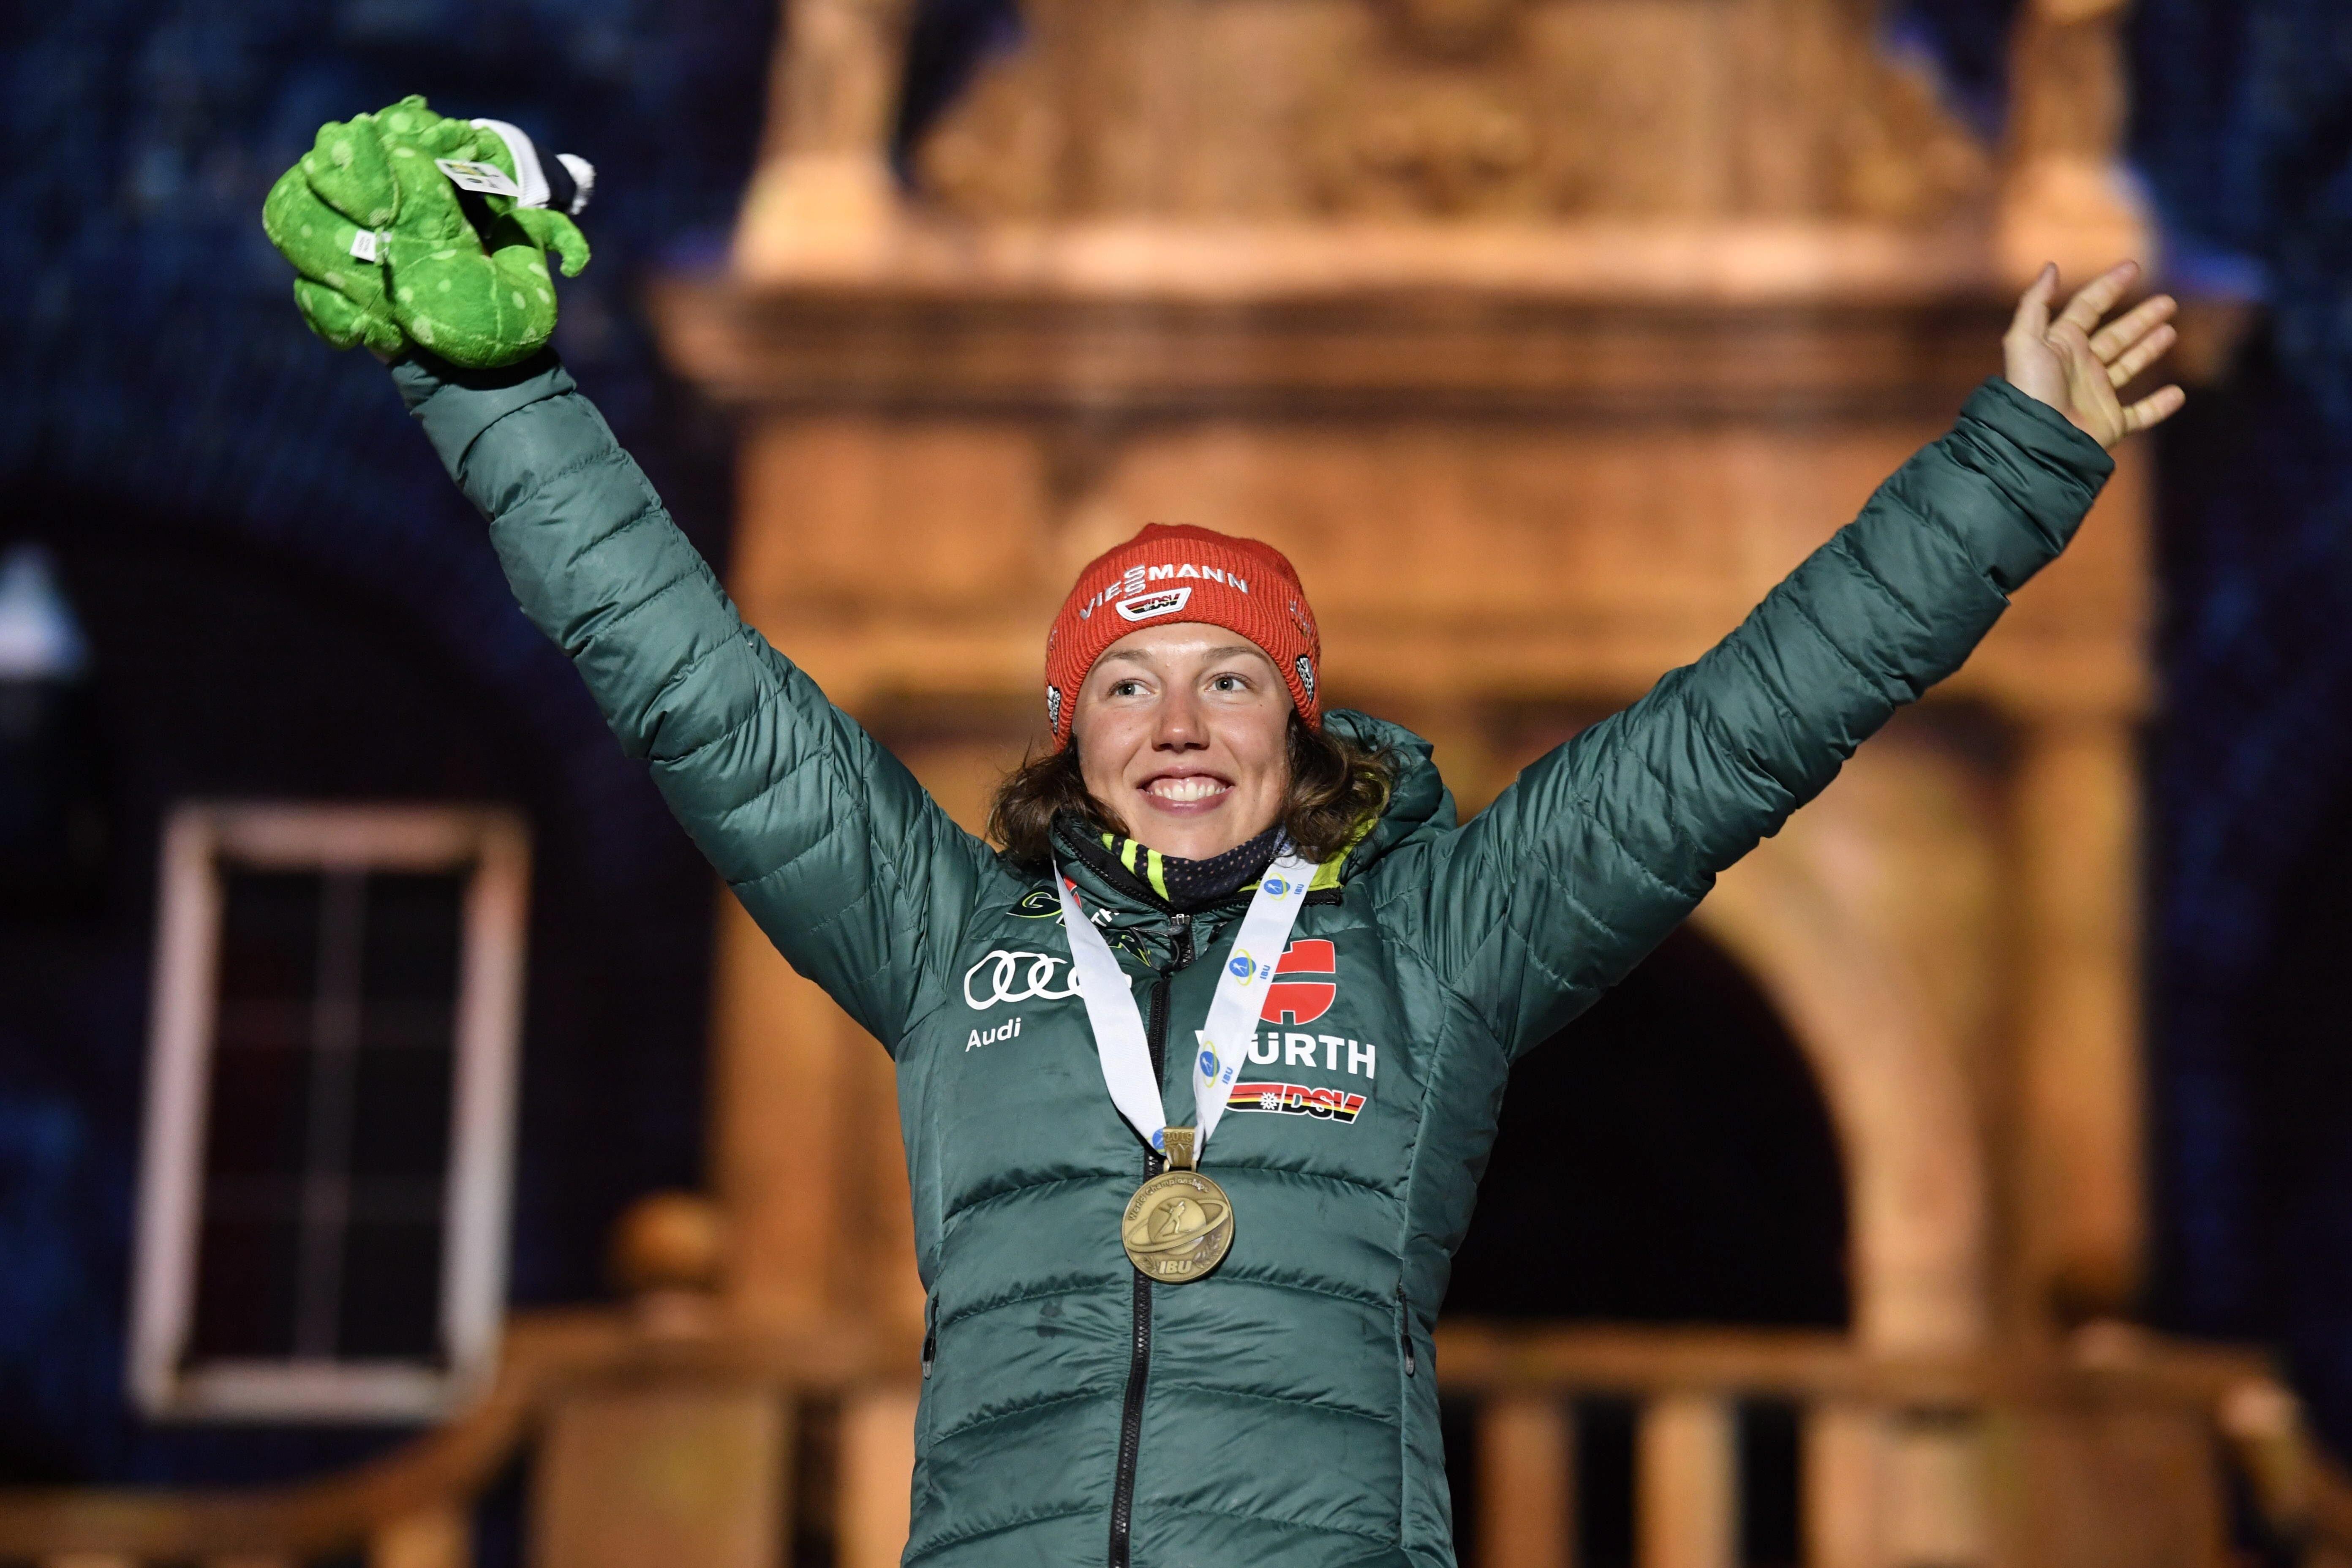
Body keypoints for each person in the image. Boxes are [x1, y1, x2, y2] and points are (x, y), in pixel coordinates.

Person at [384, 260, 2180, 1568]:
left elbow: (1738, 731)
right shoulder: (960, 949)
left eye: (1231, 679)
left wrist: (2014, 463)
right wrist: (495, 389)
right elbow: (701, 695)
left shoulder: (1438, 945)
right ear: (1071, 734)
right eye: (1129, 684)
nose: (1179, 725)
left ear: (1297, 720)